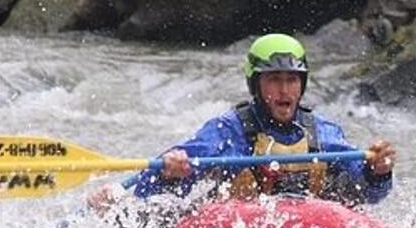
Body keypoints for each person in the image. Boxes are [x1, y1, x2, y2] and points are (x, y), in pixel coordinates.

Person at [90, 33, 395, 214]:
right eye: (274, 80)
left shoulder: (322, 133)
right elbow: (151, 193)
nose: (285, 90)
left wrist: (377, 170)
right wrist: (171, 172)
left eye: (292, 80)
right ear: (256, 85)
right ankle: (110, 208)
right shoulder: (228, 131)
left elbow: (371, 193)